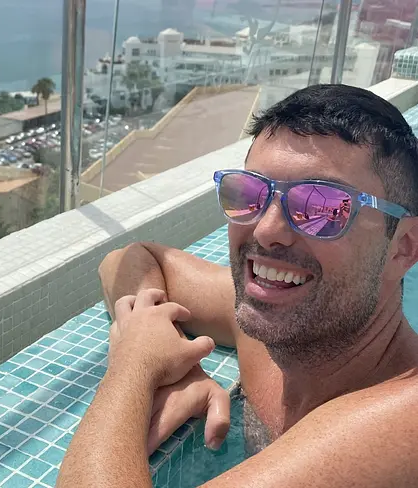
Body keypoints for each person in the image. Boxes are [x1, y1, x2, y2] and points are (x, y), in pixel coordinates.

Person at [56, 84, 418, 487]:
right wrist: (181, 365)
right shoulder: (278, 327)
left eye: (321, 208)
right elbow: (130, 259)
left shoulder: (404, 420)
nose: (266, 231)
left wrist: (135, 362)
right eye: (250, 193)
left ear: (403, 247)